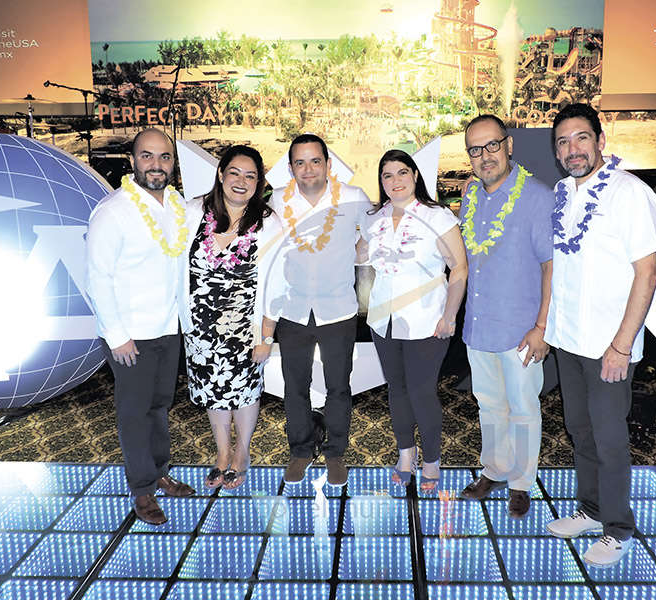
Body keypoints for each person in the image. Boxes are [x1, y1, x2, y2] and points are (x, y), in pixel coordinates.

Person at [544, 103, 656, 567]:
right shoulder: (561, 193)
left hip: (609, 346)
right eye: (563, 142)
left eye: (580, 138)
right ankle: (591, 510)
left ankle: (617, 528)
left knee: (611, 438)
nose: (572, 149)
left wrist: (622, 345)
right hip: (569, 340)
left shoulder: (629, 193)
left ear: (600, 140)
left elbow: (648, 273)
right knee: (580, 430)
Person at [86, 128, 195, 525]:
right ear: (132, 161)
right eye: (147, 157)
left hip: (169, 328)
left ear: (173, 163)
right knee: (133, 413)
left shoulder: (177, 205)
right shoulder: (113, 210)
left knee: (160, 407)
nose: (156, 165)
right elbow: (98, 278)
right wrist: (117, 337)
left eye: (164, 157)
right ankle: (142, 491)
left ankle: (159, 470)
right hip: (130, 335)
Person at [458, 115, 554, 518]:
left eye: (492, 145)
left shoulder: (537, 196)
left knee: (523, 408)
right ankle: (494, 470)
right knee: (489, 405)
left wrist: (542, 328)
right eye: (475, 150)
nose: (485, 156)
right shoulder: (470, 195)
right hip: (479, 326)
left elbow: (552, 266)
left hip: (521, 331)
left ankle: (520, 482)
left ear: (509, 145)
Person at [357, 149, 467, 492]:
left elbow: (459, 268)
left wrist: (450, 315)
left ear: (415, 176)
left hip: (427, 320)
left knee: (421, 392)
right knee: (397, 390)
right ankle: (406, 452)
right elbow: (361, 258)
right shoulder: (375, 217)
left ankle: (432, 459)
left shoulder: (437, 216)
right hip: (383, 319)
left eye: (402, 172)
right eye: (387, 176)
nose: (395, 181)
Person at [270, 134, 371, 486]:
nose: (308, 169)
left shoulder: (355, 199)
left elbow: (373, 234)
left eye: (315, 161)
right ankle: (300, 449)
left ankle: (336, 451)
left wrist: (359, 251)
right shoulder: (277, 201)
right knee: (295, 387)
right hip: (292, 310)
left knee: (338, 387)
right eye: (300, 162)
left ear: (328, 165)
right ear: (291, 168)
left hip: (338, 310)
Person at [180, 145, 282, 491]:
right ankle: (222, 453)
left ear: (259, 183)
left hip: (246, 328)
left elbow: (277, 283)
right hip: (200, 326)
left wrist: (266, 336)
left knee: (245, 393)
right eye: (234, 173)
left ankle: (242, 452)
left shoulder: (268, 223)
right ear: (221, 174)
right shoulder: (192, 212)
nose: (241, 181)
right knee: (212, 391)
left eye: (250, 176)